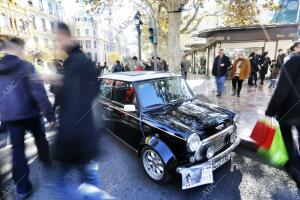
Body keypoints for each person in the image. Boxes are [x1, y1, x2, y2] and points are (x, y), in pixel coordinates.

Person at [0, 37, 55, 199]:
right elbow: (38, 92)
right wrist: (49, 114)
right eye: (22, 50)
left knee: (18, 153)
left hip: (11, 118)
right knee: (41, 140)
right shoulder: (26, 66)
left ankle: (23, 189)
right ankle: (48, 165)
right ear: (17, 49)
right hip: (31, 114)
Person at [53, 22, 101, 199]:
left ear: (66, 36)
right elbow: (93, 91)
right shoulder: (81, 60)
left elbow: (74, 102)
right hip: (85, 135)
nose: (57, 43)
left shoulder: (73, 62)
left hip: (74, 137)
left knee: (58, 181)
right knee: (88, 177)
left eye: (58, 39)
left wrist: (60, 82)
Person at [265, 40, 300, 188]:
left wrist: (271, 111)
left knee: (286, 137)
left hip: (290, 111)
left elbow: (282, 90)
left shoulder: (293, 62)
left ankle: (295, 170)